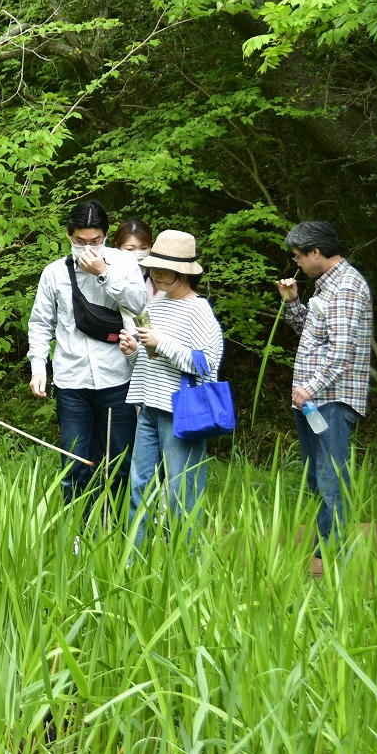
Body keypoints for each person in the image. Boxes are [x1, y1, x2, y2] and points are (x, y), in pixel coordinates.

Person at [28, 200, 148, 520]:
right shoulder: (54, 273)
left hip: (117, 377)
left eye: (95, 241)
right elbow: (40, 324)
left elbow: (139, 304)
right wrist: (39, 368)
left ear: (106, 236)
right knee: (75, 463)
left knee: (120, 463)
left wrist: (104, 273)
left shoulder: (122, 263)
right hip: (71, 380)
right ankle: (80, 533)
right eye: (80, 242)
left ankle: (114, 529)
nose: (88, 248)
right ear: (69, 235)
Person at [276, 220, 372, 574]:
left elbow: (342, 351)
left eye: (299, 256)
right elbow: (314, 336)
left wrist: (310, 388)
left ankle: (335, 557)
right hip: (313, 400)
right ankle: (325, 551)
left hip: (330, 399)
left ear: (315, 252)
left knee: (331, 477)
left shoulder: (346, 286)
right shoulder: (326, 287)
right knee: (318, 476)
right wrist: (293, 303)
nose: (297, 262)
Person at [118, 230, 225, 547]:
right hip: (148, 406)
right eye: (153, 265)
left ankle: (185, 562)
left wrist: (161, 342)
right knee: (139, 483)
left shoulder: (198, 309)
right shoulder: (157, 303)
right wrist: (133, 351)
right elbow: (150, 358)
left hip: (182, 412)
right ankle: (133, 558)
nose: (154, 271)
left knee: (182, 490)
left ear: (182, 270)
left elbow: (207, 364)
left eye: (162, 266)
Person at [113, 218, 158, 301]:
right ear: (117, 247)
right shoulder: (110, 274)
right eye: (130, 249)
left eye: (143, 248)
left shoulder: (159, 276)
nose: (137, 253)